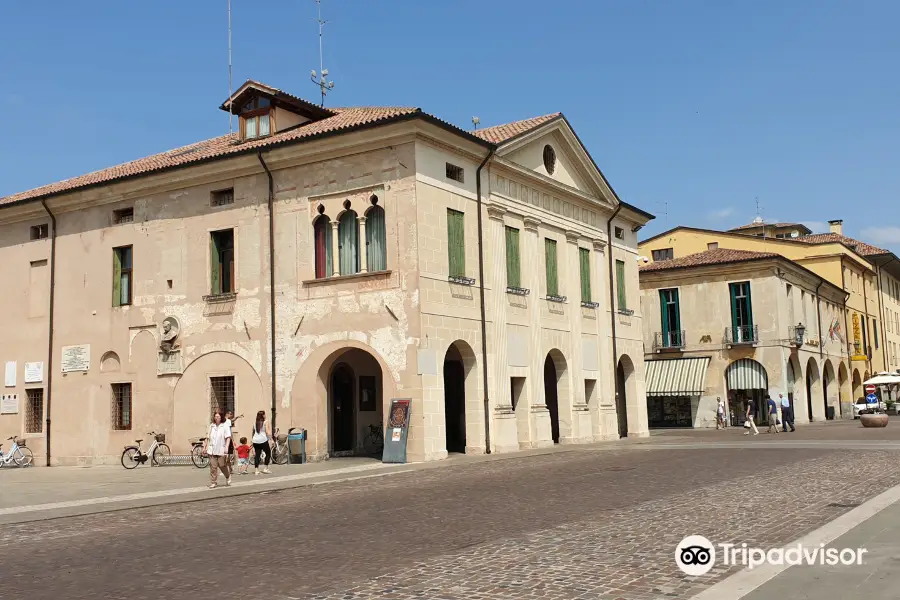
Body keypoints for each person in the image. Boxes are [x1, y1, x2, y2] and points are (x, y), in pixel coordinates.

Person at [202, 410, 232, 488]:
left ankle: (227, 476)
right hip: (211, 449)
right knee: (213, 466)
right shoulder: (212, 426)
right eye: (215, 416)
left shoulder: (225, 425)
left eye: (218, 416)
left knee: (222, 465)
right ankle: (213, 482)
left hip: (221, 449)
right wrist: (204, 447)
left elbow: (228, 437)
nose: (217, 418)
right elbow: (207, 437)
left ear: (221, 417)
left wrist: (226, 447)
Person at [251, 410, 272, 475]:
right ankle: (265, 468)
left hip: (255, 440)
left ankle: (256, 470)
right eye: (264, 414)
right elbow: (268, 432)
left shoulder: (255, 422)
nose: (265, 415)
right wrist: (272, 439)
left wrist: (252, 441)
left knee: (257, 454)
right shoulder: (266, 422)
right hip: (263, 440)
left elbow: (253, 432)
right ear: (263, 415)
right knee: (268, 453)